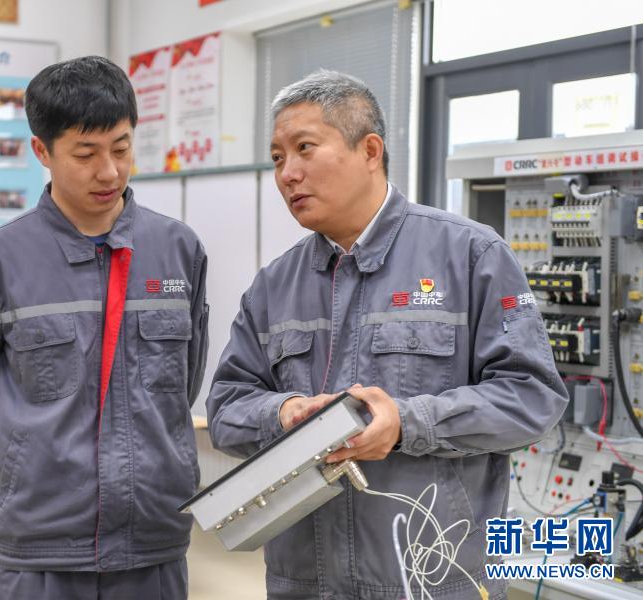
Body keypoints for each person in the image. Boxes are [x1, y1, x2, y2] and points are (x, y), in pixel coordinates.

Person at [206, 70, 568, 600]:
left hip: (431, 579)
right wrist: (285, 414)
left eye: (304, 148)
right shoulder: (275, 285)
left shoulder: (471, 255)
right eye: (278, 157)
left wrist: (406, 422)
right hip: (306, 583)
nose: (287, 174)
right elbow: (225, 409)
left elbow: (532, 397)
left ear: (370, 150)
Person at [0, 55, 209, 600]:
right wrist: (35, 460)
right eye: (85, 154)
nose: (108, 172)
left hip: (151, 539)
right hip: (37, 546)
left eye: (121, 148)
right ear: (42, 151)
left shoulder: (178, 250)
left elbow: (184, 382)